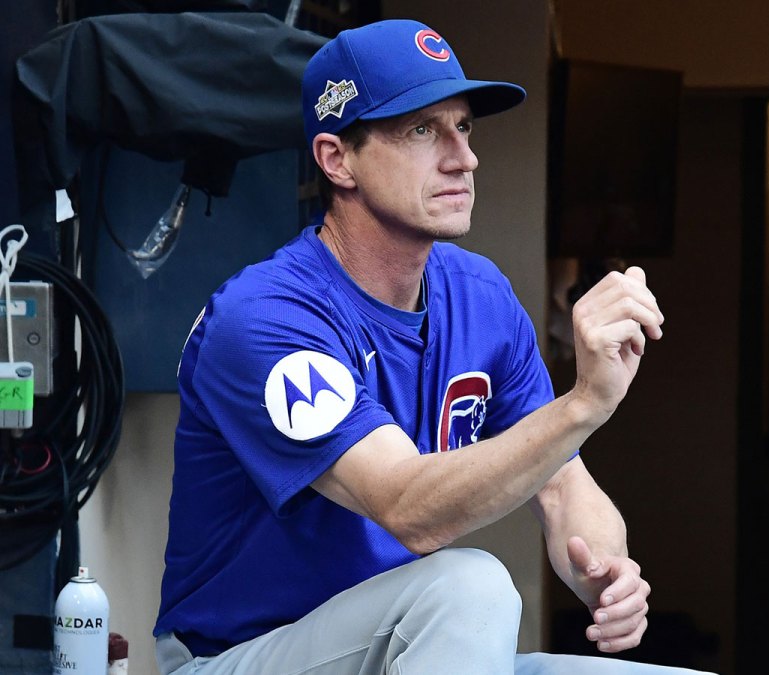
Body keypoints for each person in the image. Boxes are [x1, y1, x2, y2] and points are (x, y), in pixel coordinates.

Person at [152, 18, 712, 675]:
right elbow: (408, 509)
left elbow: (562, 486)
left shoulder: (479, 294)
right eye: (423, 129)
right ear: (337, 159)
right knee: (470, 583)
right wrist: (586, 402)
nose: (463, 157)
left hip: (403, 649)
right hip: (241, 655)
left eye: (464, 126)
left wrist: (603, 569)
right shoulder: (266, 316)